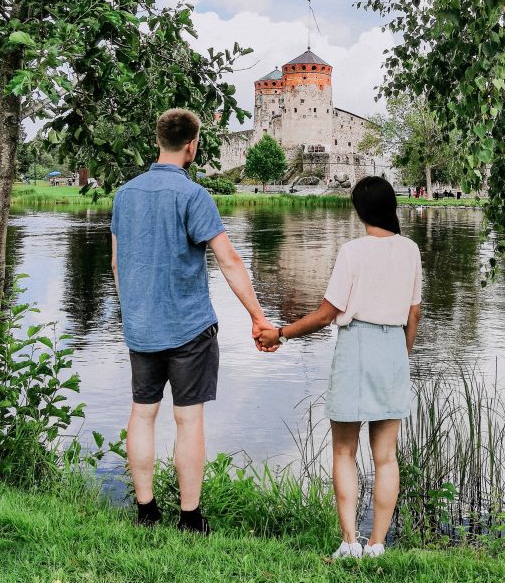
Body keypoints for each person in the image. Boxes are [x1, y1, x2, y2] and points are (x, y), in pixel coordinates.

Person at [111, 108, 276, 531]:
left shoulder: (125, 194)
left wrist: (133, 311)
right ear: (193, 145)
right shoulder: (193, 195)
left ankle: (146, 513)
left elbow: (116, 264)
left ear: (158, 140)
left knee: (142, 414)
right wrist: (258, 318)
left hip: (141, 326)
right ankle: (189, 518)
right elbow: (230, 261)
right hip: (188, 327)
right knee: (188, 419)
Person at [258, 176, 422, 558]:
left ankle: (350, 543)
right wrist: (402, 355)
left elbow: (325, 315)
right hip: (393, 347)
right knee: (386, 456)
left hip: (357, 346)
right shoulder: (411, 250)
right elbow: (414, 313)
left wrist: (280, 333)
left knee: (344, 451)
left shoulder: (352, 251)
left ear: (360, 210)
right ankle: (378, 544)